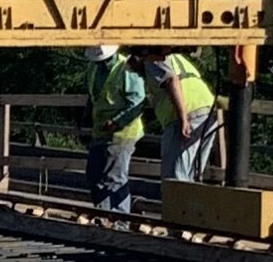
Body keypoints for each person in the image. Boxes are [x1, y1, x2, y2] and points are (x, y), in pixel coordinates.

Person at [85, 43, 147, 219]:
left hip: (122, 132)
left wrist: (117, 122)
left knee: (114, 177)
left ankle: (119, 220)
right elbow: (93, 97)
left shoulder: (125, 68)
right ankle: (103, 215)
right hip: (101, 131)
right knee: (95, 175)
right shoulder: (93, 69)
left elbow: (137, 101)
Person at [150, 47, 222, 192]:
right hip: (207, 112)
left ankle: (177, 211)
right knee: (193, 174)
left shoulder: (153, 56)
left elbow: (171, 80)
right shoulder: (176, 57)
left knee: (175, 177)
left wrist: (183, 119)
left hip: (186, 115)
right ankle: (191, 210)